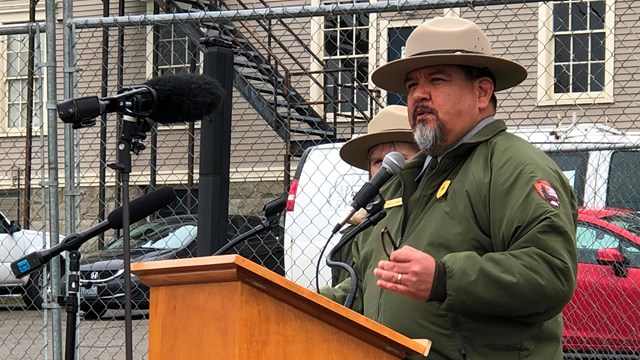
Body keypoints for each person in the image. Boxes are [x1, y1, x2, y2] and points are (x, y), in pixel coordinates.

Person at [323, 16, 578, 360]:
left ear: (482, 92)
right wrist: (296, 298)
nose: (418, 95)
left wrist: (445, 279)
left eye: (437, 80)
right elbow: (378, 284)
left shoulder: (514, 166)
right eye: (412, 85)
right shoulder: (410, 178)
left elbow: (550, 273)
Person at [330, 105, 419, 286]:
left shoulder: (436, 218)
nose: (387, 169)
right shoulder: (354, 236)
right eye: (379, 161)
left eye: (399, 158)